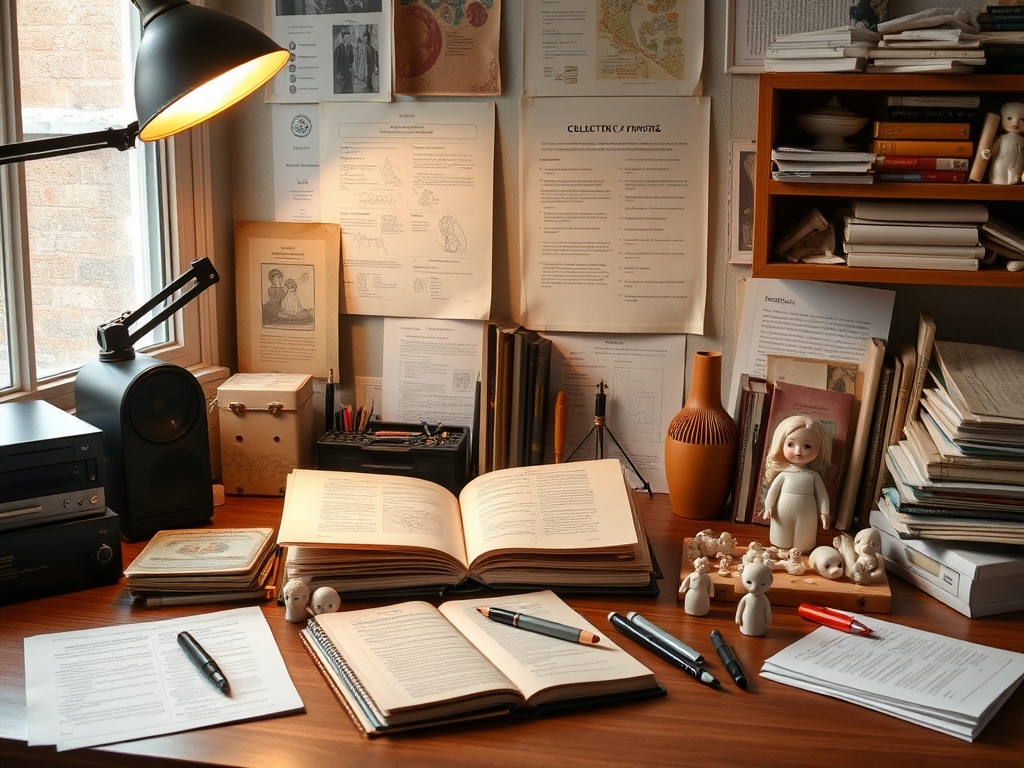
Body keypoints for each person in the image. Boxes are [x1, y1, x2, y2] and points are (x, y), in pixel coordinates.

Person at [761, 415, 831, 554]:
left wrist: (825, 512)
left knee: (804, 534)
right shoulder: (784, 474)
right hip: (783, 508)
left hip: (808, 510)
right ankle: (781, 544)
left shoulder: (813, 476)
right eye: (791, 444)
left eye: (807, 446)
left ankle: (801, 548)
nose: (798, 451)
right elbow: (773, 491)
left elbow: (823, 496)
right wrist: (768, 507)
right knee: (782, 531)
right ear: (781, 445)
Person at [985, 101, 1024, 185]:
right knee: (1000, 171)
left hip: (1017, 169)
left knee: (1015, 174)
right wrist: (986, 154)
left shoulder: (1022, 140)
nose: (1015, 123)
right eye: (1009, 118)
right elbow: (993, 152)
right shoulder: (1002, 138)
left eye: (1022, 119)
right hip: (1000, 168)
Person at [735, 561, 773, 636]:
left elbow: (767, 609)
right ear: (742, 576)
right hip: (745, 624)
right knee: (747, 624)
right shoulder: (746, 598)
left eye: (762, 584)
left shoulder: (763, 598)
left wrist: (768, 619)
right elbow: (740, 608)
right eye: (749, 582)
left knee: (758, 626)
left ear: (770, 581)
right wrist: (738, 618)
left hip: (760, 626)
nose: (755, 587)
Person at [334, 29, 354, 94]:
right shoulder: (339, 47)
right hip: (342, 68)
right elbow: (337, 59)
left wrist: (351, 65)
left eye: (348, 37)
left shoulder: (350, 46)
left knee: (349, 82)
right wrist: (339, 71)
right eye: (346, 37)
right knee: (343, 83)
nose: (347, 39)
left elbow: (352, 57)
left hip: (348, 68)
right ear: (343, 38)